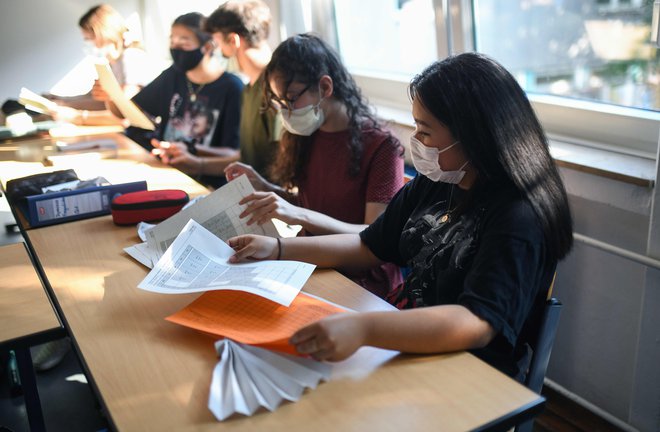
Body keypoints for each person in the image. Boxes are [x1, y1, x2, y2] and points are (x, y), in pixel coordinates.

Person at [227, 52, 574, 380]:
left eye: (425, 131)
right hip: (402, 340)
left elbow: (476, 323)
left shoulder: (518, 215)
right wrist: (277, 249)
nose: (416, 141)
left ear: (473, 135)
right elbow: (368, 245)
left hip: (463, 371)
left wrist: (364, 329)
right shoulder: (439, 181)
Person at [224, 33, 405, 298]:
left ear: (325, 87)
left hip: (359, 281)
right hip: (308, 262)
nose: (286, 111)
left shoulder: (382, 145)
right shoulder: (308, 134)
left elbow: (374, 235)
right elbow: (317, 203)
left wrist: (299, 214)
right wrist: (268, 190)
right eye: (280, 102)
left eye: (291, 98)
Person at [154, 0, 281, 181]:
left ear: (233, 41)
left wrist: (198, 163)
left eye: (218, 43)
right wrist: (192, 152)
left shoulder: (277, 91)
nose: (217, 52)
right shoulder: (250, 89)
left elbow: (277, 170)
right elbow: (247, 158)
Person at [128, 12, 244, 189]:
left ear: (208, 46)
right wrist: (111, 96)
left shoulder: (232, 88)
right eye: (172, 40)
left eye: (184, 40)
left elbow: (235, 153)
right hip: (164, 171)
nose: (176, 46)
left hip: (205, 185)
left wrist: (192, 152)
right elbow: (132, 110)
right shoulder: (173, 75)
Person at [48, 4, 155, 126]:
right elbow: (100, 100)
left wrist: (76, 116)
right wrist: (61, 101)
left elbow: (124, 114)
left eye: (90, 39)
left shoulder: (131, 58)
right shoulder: (111, 63)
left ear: (104, 33)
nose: (90, 45)